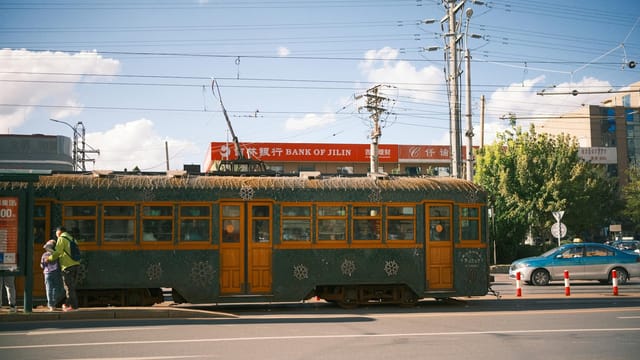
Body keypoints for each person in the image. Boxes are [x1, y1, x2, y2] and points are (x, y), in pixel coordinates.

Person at [47, 226, 81, 311]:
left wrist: (50, 258)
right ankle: (70, 304)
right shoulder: (72, 239)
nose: (55, 234)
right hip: (76, 265)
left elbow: (58, 252)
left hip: (67, 266)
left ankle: (72, 306)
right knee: (72, 287)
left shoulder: (61, 239)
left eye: (56, 232)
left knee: (69, 287)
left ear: (59, 232)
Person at [41, 239, 64, 312]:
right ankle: (53, 304)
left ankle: (51, 305)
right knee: (57, 288)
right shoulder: (56, 254)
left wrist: (45, 263)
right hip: (56, 273)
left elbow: (42, 265)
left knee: (49, 289)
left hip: (47, 273)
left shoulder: (44, 254)